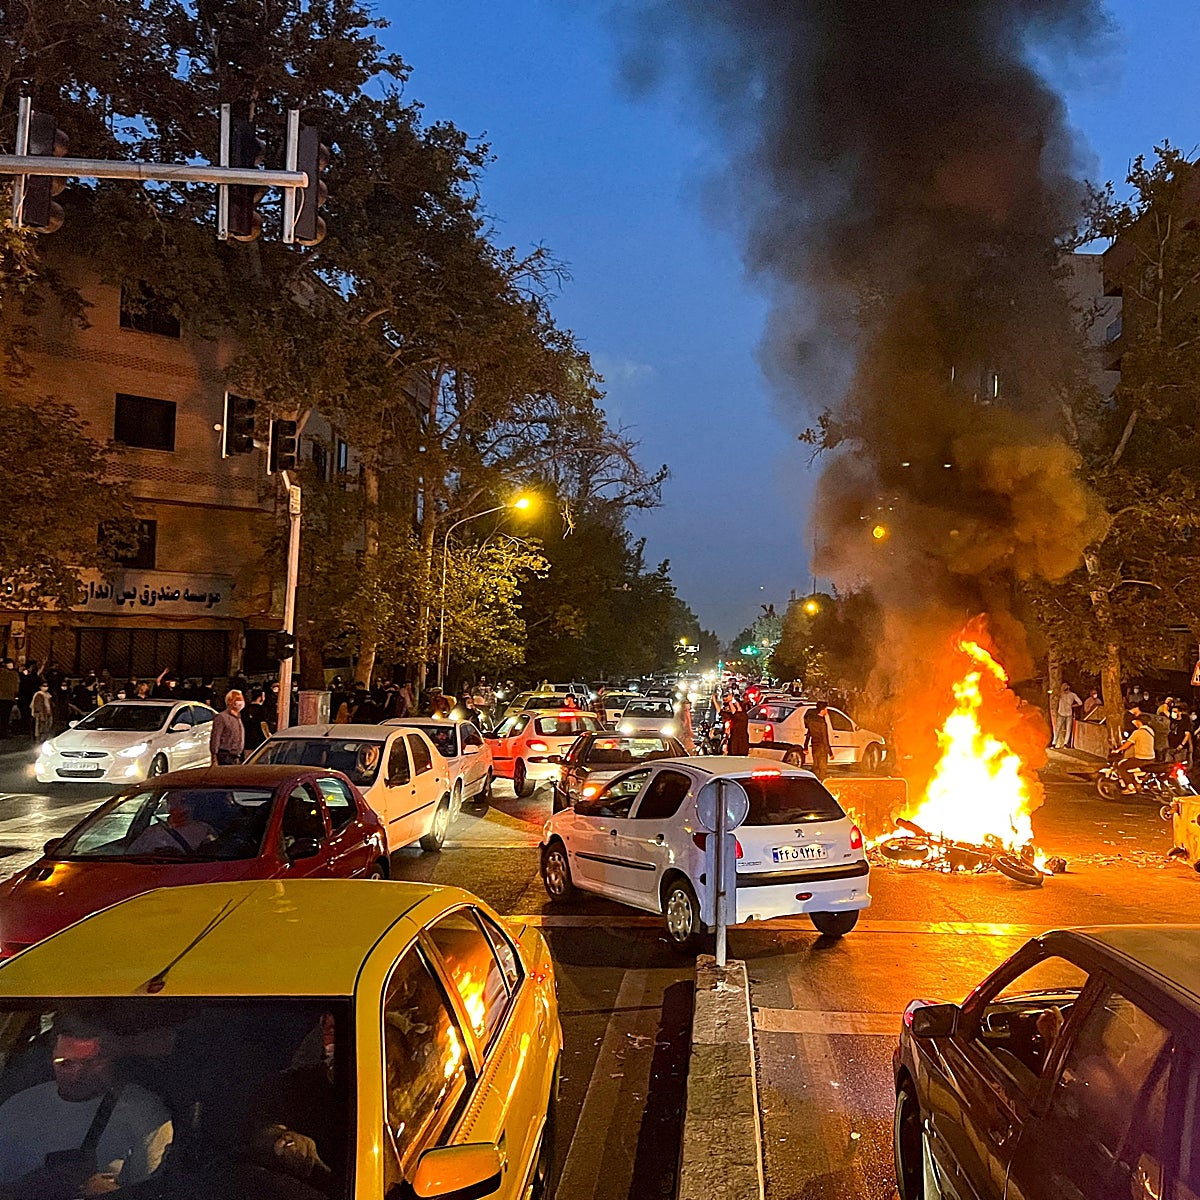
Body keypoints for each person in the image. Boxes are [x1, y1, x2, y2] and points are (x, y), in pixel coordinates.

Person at [0, 1015, 172, 1195]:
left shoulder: (143, 1113)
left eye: (91, 1063)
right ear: (51, 1058)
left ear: (112, 1059)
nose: (77, 1074)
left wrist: (110, 1194)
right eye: (65, 1063)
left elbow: (154, 1192)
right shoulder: (18, 1107)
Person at [128, 794, 214, 854]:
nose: (177, 806)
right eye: (172, 801)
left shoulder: (205, 831)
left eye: (183, 801)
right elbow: (132, 854)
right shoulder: (152, 832)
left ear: (192, 805)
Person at [1116, 714, 1157, 793]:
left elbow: (1127, 744)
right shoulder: (1150, 730)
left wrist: (1118, 750)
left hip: (1141, 759)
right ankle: (1136, 782)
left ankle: (1130, 787)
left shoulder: (1137, 732)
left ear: (1139, 722)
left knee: (1122, 767)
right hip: (1151, 758)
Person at [210, 690, 246, 766]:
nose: (240, 702)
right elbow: (216, 736)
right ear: (229, 702)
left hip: (237, 755)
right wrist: (214, 755)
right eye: (237, 700)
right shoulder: (221, 717)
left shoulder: (239, 717)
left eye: (241, 700)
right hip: (225, 755)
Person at [804, 702, 833, 780]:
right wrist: (830, 753)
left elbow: (808, 734)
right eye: (826, 709)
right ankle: (821, 782)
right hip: (822, 748)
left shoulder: (812, 721)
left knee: (816, 765)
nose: (827, 711)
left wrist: (805, 746)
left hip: (814, 746)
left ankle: (815, 781)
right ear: (822, 710)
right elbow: (825, 738)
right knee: (822, 767)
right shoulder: (822, 723)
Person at [242, 686, 271, 754]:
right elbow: (264, 726)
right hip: (261, 744)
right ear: (260, 698)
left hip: (247, 743)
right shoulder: (263, 710)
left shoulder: (244, 710)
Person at [1052, 682, 1081, 749]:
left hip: (1068, 714)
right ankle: (1054, 743)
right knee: (1058, 729)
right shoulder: (1061, 694)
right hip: (1061, 713)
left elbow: (1080, 703)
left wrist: (1072, 706)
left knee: (1068, 729)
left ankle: (1065, 743)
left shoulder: (1072, 695)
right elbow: (1055, 696)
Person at [0, 660, 17, 739]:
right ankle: (4, 732)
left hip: (4, 697)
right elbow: (16, 687)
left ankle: (3, 732)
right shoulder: (14, 674)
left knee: (3, 716)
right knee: (5, 716)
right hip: (8, 698)